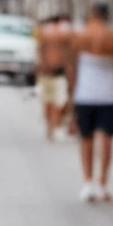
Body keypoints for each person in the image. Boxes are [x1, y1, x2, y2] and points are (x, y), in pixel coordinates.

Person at [66, 2, 113, 203]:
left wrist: (70, 97)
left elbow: (71, 69)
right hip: (108, 95)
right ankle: (103, 183)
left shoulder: (79, 36)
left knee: (86, 139)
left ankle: (87, 183)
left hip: (84, 95)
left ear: (91, 15)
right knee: (107, 140)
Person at [35, 13, 74, 141]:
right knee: (57, 101)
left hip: (48, 71)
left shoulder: (44, 33)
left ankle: (51, 126)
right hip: (58, 72)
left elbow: (40, 52)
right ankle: (54, 125)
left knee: (49, 100)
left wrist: (40, 69)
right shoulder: (66, 34)